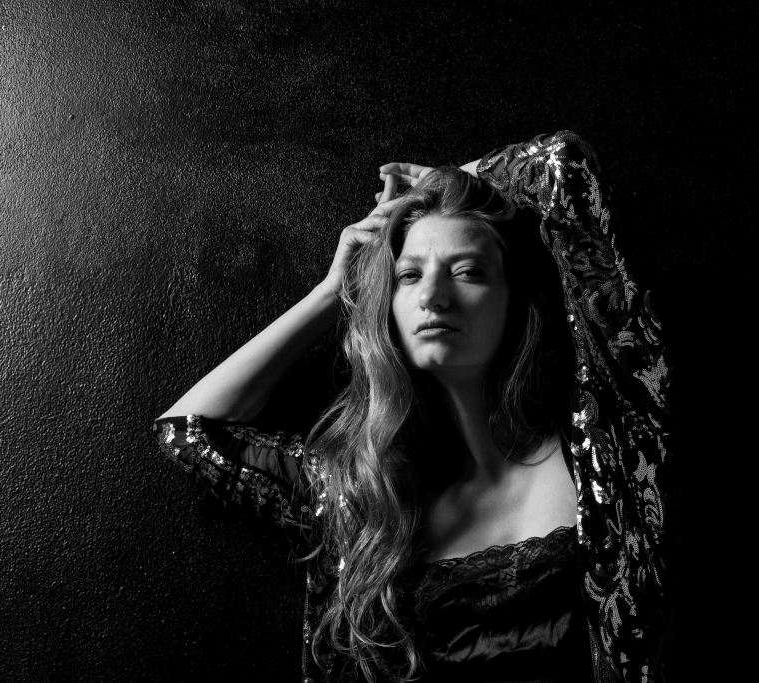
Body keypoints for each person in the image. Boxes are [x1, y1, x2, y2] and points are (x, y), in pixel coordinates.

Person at [154, 131, 672, 682]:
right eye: (409, 275)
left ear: (515, 301)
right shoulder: (365, 496)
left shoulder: (609, 438)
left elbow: (562, 165)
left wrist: (448, 181)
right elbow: (190, 430)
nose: (432, 296)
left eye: (467, 271)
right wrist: (334, 291)